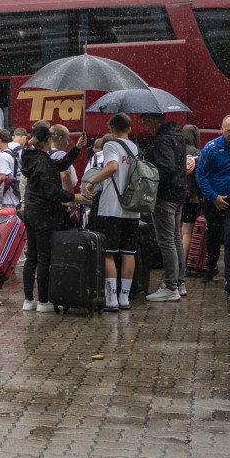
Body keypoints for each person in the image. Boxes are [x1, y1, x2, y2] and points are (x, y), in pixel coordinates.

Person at [21, 125, 88, 312]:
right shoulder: (43, 161)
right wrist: (73, 197)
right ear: (47, 141)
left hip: (30, 212)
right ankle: (43, 301)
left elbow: (60, 165)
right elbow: (51, 191)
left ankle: (28, 300)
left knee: (31, 258)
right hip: (43, 215)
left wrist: (77, 148)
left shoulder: (32, 158)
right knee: (44, 259)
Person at [83, 113, 140, 311]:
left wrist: (91, 182)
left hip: (111, 207)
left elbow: (112, 167)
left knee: (109, 254)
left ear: (111, 128)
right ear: (129, 128)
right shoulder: (135, 148)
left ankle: (111, 298)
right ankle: (125, 298)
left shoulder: (111, 145)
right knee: (128, 252)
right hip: (132, 208)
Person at [195, 114, 230, 296]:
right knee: (213, 235)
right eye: (229, 130)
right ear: (222, 130)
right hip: (213, 200)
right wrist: (213, 197)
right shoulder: (211, 148)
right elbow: (200, 174)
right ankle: (212, 266)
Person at [141, 113, 187, 303]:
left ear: (154, 120)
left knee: (166, 241)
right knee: (175, 238)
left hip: (165, 195)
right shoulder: (177, 135)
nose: (146, 127)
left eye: (146, 122)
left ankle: (170, 286)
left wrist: (150, 177)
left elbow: (166, 167)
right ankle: (179, 282)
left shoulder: (162, 139)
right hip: (179, 193)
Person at [180, 125, 202, 261]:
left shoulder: (176, 151)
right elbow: (200, 177)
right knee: (187, 232)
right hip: (191, 198)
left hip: (176, 197)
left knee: (177, 233)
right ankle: (182, 265)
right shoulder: (196, 154)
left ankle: (174, 265)